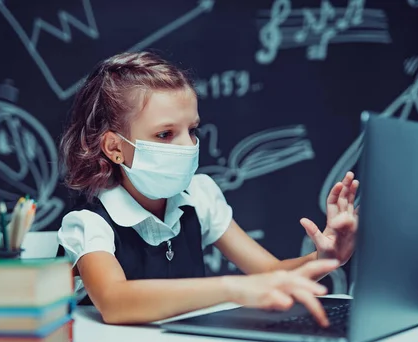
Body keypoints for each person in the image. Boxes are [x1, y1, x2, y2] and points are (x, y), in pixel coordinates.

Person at [57, 51, 359, 327]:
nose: (188, 146)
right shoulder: (89, 224)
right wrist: (231, 288)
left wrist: (326, 258)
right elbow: (115, 302)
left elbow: (271, 273)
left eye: (192, 130)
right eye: (165, 134)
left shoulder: (199, 196)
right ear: (114, 147)